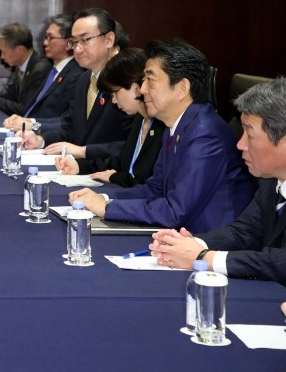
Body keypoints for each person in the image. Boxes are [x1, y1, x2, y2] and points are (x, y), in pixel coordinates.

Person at [69, 38, 254, 233]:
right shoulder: (176, 125)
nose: (142, 89)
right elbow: (154, 189)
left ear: (182, 87)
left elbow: (175, 211)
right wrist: (103, 198)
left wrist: (107, 208)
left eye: (150, 80)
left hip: (205, 243)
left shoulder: (205, 134)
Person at [149, 78, 286, 283]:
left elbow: (281, 261)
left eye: (249, 134)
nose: (240, 145)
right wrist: (192, 244)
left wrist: (204, 258)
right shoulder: (269, 180)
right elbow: (245, 232)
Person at [17, 8, 134, 160]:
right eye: (74, 42)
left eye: (85, 40)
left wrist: (84, 151)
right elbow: (70, 127)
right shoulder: (83, 80)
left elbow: (135, 145)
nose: (77, 49)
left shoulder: (130, 78)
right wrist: (40, 141)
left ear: (109, 40)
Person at [56, 47, 164, 187]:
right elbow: (122, 162)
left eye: (114, 93)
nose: (113, 101)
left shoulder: (162, 125)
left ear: (134, 87)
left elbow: (147, 181)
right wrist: (80, 166)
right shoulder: (140, 119)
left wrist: (116, 178)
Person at [18, 14, 85, 123]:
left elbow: (66, 121)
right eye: (46, 37)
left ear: (69, 44)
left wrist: (31, 124)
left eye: (51, 38)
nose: (45, 43)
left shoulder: (76, 75)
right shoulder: (52, 70)